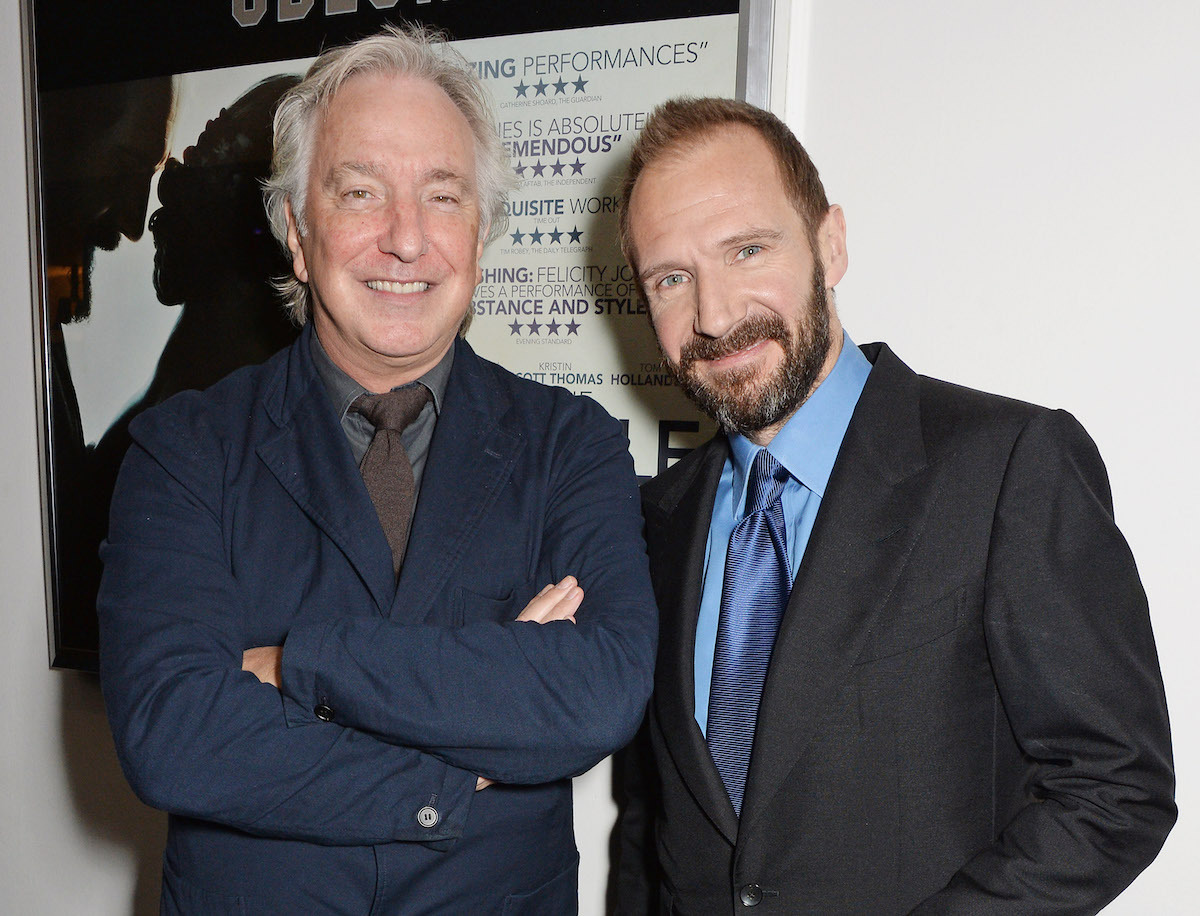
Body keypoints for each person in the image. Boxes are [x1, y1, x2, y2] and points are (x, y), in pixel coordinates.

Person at [99, 25, 656, 915]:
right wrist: (467, 737)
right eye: (360, 193)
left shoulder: (571, 444)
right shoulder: (183, 450)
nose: (406, 240)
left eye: (443, 197)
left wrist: (296, 662)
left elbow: (596, 697)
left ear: (481, 232)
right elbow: (173, 733)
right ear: (296, 230)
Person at [610, 97, 1174, 915]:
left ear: (830, 244)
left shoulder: (1009, 466)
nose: (716, 314)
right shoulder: (659, 517)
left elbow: (1115, 790)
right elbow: (649, 831)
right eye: (671, 278)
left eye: (747, 249)